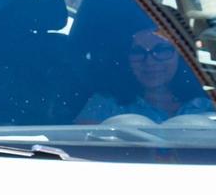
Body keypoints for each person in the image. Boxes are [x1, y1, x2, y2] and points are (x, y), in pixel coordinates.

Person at [78, 19, 216, 123]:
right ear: (127, 59)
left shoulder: (209, 102)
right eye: (138, 52)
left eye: (161, 50)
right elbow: (77, 155)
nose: (149, 62)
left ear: (181, 55)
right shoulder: (105, 106)